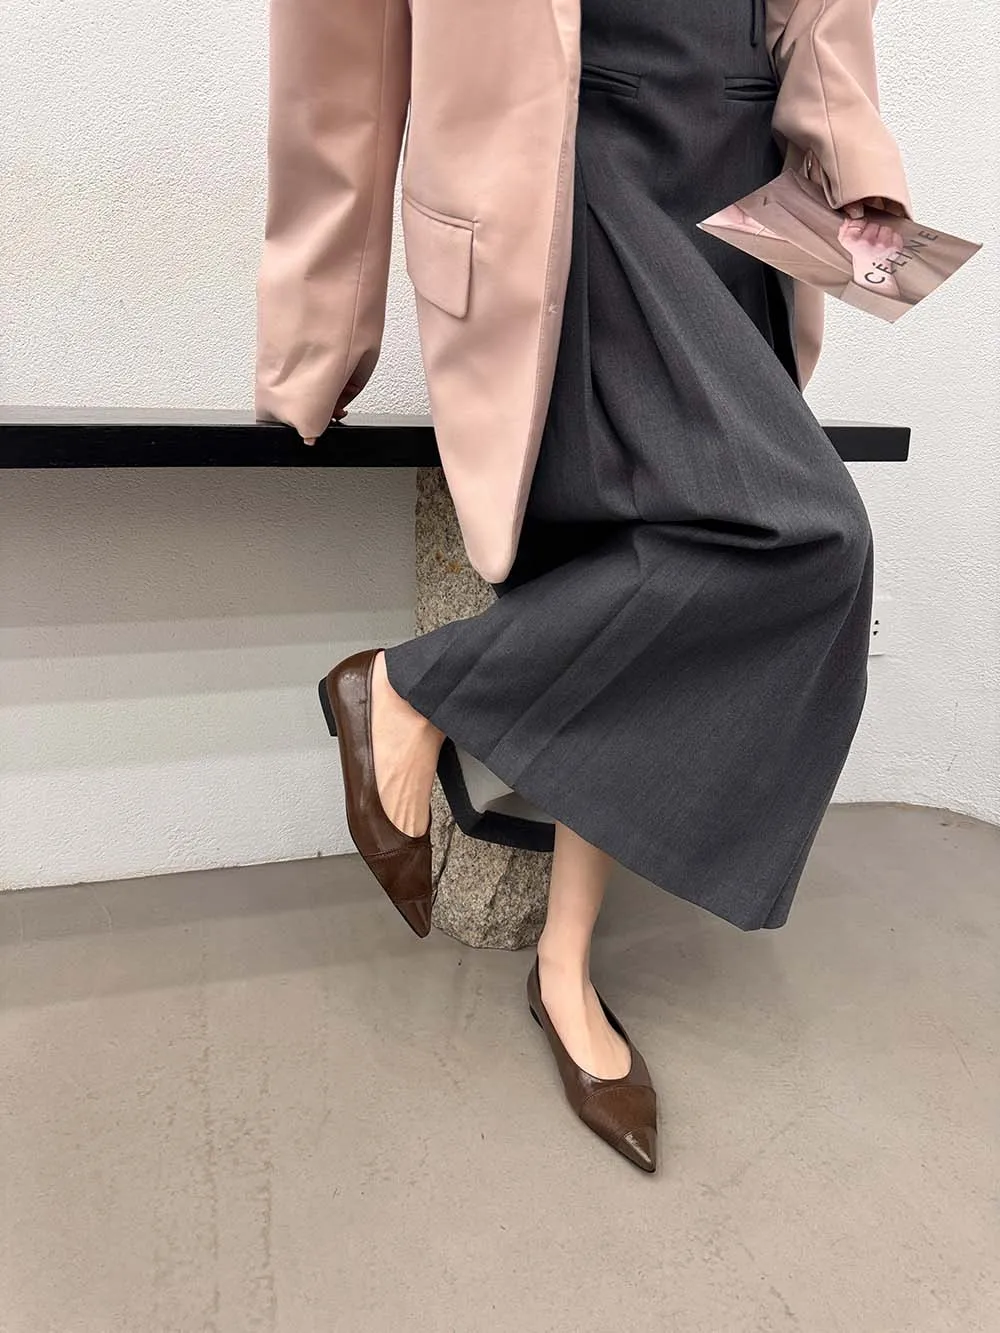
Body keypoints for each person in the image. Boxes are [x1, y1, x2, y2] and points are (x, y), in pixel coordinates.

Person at [256, 0, 912, 1174]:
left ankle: (550, 941)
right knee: (804, 535)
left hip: (742, 179)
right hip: (572, 165)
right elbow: (338, 79)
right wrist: (318, 340)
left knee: (664, 566)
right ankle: (417, 699)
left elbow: (818, 15)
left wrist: (857, 180)